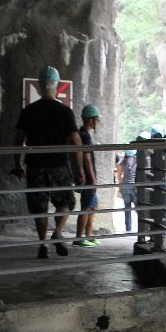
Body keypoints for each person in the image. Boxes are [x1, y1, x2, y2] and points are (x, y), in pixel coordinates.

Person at [13, 66, 83, 258]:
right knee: (65, 201)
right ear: (57, 86)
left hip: (35, 165)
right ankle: (58, 232)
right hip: (59, 165)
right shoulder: (65, 111)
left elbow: (18, 140)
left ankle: (42, 245)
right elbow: (76, 141)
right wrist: (79, 169)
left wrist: (17, 164)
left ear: (38, 85)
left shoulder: (28, 111)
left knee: (39, 206)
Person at [73, 104, 102, 247]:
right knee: (86, 206)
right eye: (96, 118)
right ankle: (79, 237)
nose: (98, 121)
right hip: (88, 177)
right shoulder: (83, 135)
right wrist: (92, 178)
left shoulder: (85, 134)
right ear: (90, 119)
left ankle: (88, 236)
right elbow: (86, 158)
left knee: (93, 206)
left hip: (89, 176)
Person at [115, 147, 138, 233]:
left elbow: (119, 176)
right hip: (135, 187)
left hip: (125, 187)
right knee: (138, 208)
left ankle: (128, 228)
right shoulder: (138, 161)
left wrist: (120, 187)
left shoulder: (122, 162)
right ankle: (141, 226)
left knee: (127, 208)